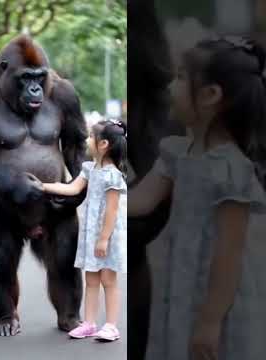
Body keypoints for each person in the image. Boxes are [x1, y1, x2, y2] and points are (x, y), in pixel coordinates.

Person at [129, 37, 266, 360]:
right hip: (180, 286)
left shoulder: (232, 170)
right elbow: (141, 201)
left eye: (180, 77)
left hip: (218, 298)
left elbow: (229, 254)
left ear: (210, 95)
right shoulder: (176, 153)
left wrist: (210, 321)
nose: (170, 85)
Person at [40, 119, 127, 342]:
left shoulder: (113, 176)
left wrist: (104, 239)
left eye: (91, 137)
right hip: (90, 236)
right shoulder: (89, 169)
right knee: (91, 280)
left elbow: (112, 211)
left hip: (107, 237)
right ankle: (88, 323)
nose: (87, 140)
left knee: (109, 280)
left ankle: (111, 326)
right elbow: (71, 188)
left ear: (103, 144)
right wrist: (42, 186)